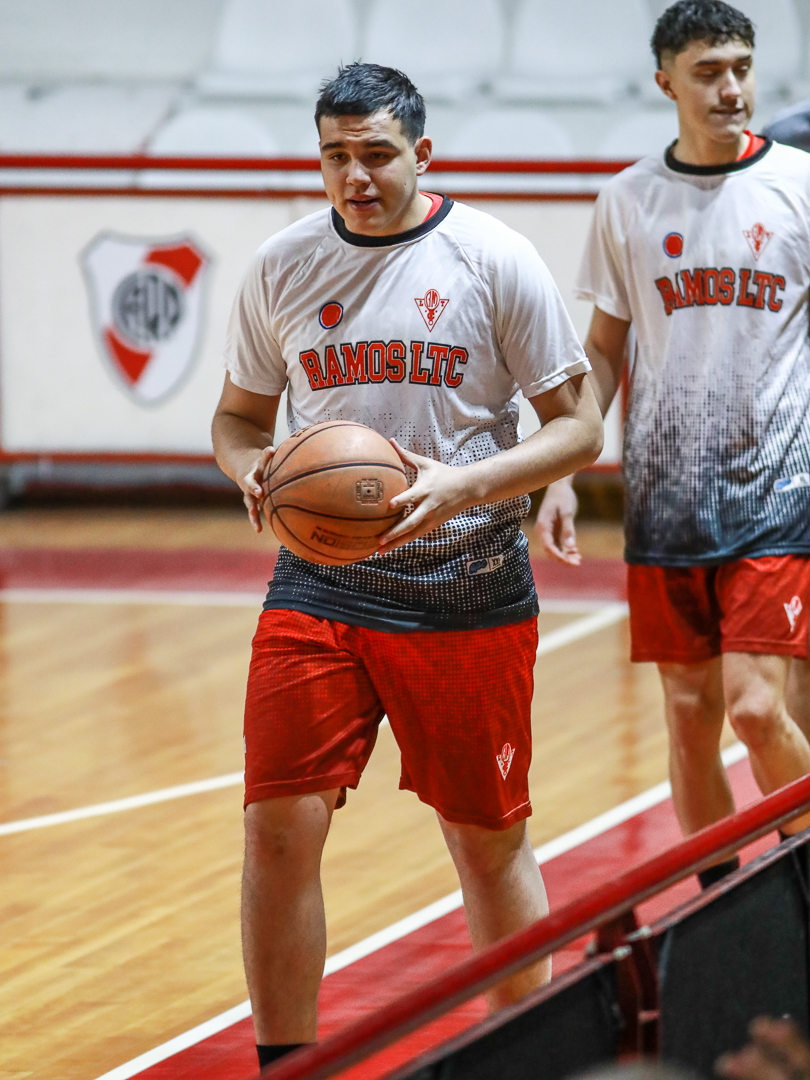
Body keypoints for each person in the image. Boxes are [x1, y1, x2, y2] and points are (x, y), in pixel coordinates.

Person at [211, 63, 603, 1070]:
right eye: (335, 156)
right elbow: (238, 418)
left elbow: (580, 430)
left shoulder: (494, 258)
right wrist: (253, 470)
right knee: (276, 828)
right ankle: (286, 1062)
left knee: (485, 841)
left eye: (376, 153)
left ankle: (526, 1054)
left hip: (466, 589)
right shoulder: (283, 266)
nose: (355, 175)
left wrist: (467, 486)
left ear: (423, 154)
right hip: (317, 585)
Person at [537, 0, 810, 889]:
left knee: (756, 709)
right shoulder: (628, 199)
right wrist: (562, 468)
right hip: (665, 502)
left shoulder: (800, 185)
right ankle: (721, 905)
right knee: (689, 713)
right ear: (666, 82)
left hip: (778, 495)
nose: (730, 88)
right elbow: (603, 349)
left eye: (741, 68)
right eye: (708, 72)